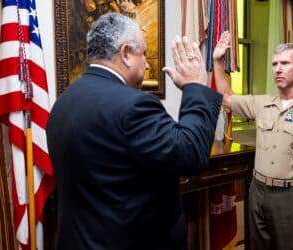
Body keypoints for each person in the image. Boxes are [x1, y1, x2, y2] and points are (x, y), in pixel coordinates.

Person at [46, 13, 222, 250]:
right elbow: (191, 154)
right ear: (126, 53)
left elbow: (115, 167)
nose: (148, 64)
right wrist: (195, 87)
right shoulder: (134, 105)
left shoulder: (63, 102)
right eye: (144, 54)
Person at [213, 31, 293, 250]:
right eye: (274, 64)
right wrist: (218, 61)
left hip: (291, 197)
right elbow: (226, 99)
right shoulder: (262, 103)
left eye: (284, 63)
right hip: (258, 190)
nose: (277, 69)